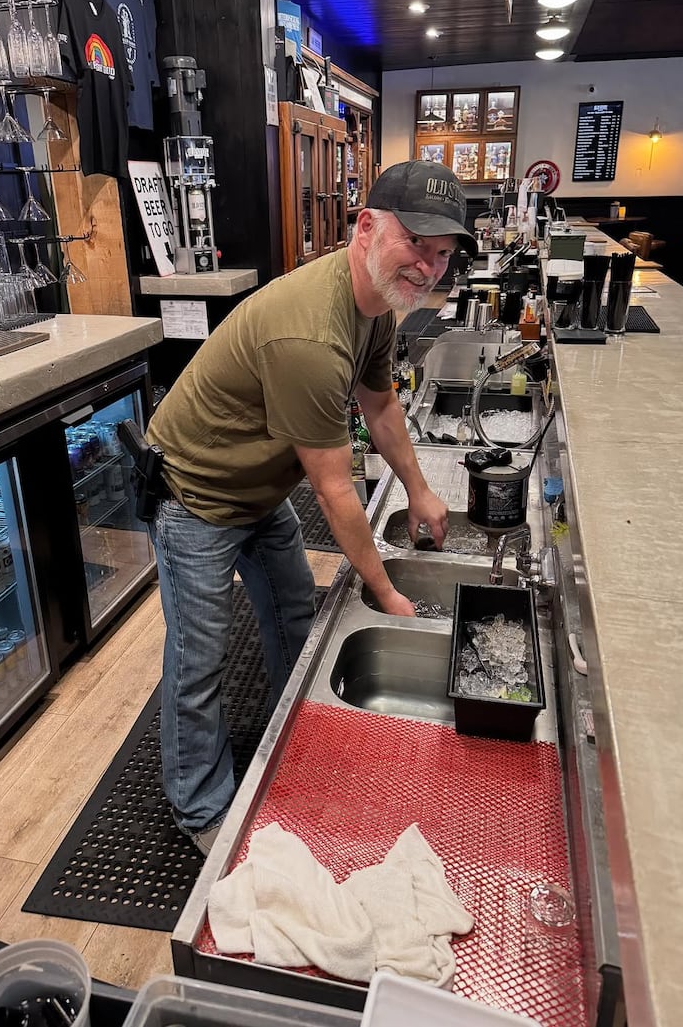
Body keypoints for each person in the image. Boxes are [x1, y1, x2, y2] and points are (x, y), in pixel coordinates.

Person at [146, 160, 478, 855]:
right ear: (367, 227)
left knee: (294, 609)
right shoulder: (310, 337)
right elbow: (333, 489)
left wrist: (419, 489)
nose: (429, 267)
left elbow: (380, 404)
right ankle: (200, 808)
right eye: (417, 244)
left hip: (259, 485)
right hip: (197, 495)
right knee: (199, 658)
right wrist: (385, 591)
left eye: (444, 254)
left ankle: (297, 738)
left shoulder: (374, 305)